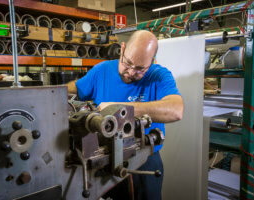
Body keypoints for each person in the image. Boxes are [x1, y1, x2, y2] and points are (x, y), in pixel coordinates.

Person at [67, 30, 184, 200]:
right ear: (122, 49)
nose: (130, 72)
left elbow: (176, 110)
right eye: (127, 63)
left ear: (152, 62)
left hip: (143, 162)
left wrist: (119, 108)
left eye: (139, 69)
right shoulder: (102, 70)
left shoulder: (159, 75)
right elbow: (75, 89)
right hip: (103, 160)